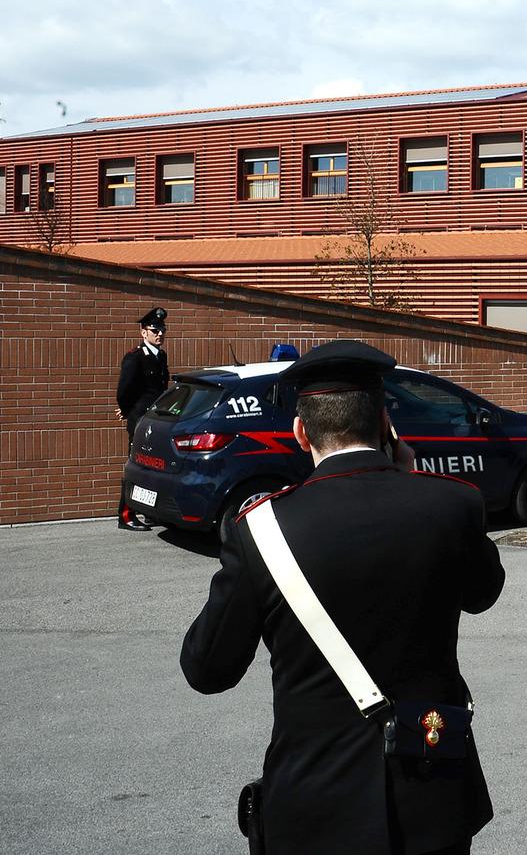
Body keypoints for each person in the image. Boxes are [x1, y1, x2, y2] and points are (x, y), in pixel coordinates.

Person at [180, 340, 505, 855]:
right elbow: (484, 593)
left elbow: (206, 670)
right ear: (384, 424)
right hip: (431, 793)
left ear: (301, 432)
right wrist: (412, 475)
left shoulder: (260, 529)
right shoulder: (453, 503)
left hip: (315, 807)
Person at [115, 306, 170, 530]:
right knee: (136, 466)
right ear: (143, 332)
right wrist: (129, 411)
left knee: (154, 468)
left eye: (162, 329)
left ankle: (150, 512)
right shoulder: (135, 357)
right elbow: (124, 391)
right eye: (154, 329)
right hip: (140, 421)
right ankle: (126, 515)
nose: (159, 334)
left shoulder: (161, 356)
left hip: (155, 421)